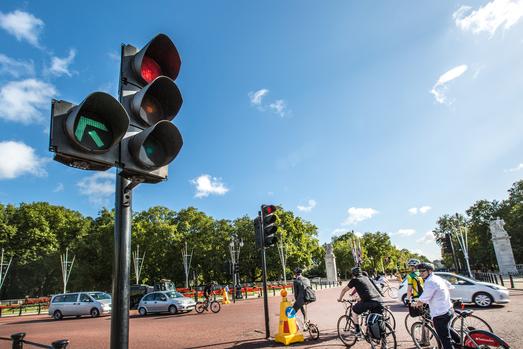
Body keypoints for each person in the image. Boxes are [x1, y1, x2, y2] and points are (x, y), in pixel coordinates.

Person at [413, 262, 454, 349]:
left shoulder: (430, 282)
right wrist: (441, 298)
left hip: (440, 314)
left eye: (423, 271)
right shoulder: (437, 278)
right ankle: (460, 343)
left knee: (445, 340)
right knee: (447, 330)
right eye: (419, 271)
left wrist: (415, 304)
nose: (420, 273)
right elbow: (450, 287)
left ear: (430, 271)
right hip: (448, 309)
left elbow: (423, 299)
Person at [337, 267, 384, 335]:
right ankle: (382, 341)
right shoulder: (366, 278)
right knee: (377, 320)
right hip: (379, 300)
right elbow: (367, 290)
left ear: (353, 274)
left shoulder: (354, 280)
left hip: (369, 301)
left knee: (354, 311)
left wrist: (340, 299)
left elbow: (344, 290)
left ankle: (358, 330)